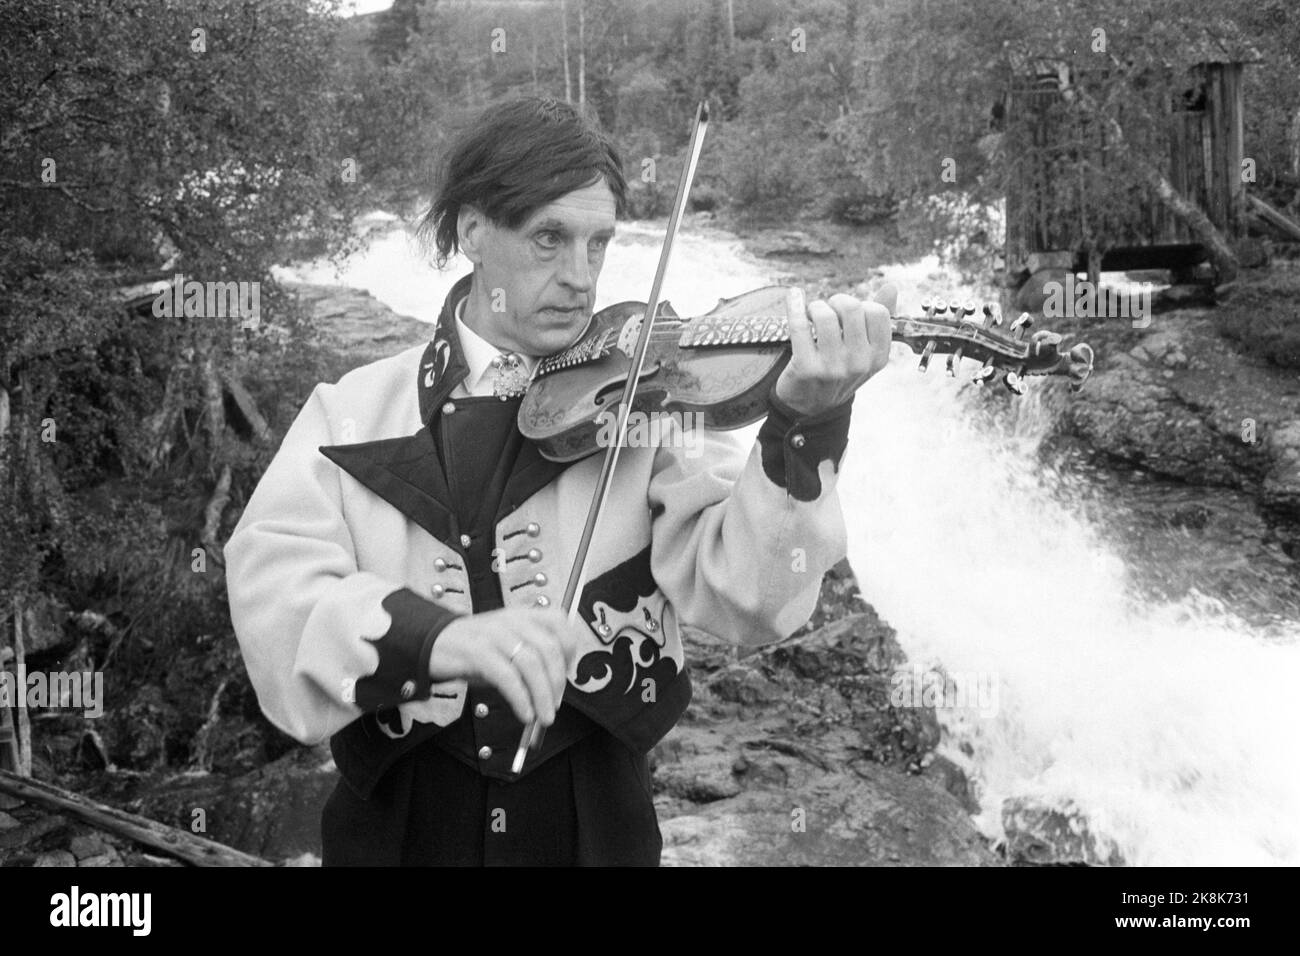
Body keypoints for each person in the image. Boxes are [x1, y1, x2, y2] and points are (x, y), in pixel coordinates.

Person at [225, 96, 894, 866]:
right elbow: (274, 598)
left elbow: (755, 597)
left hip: (595, 827)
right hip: (401, 831)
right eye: (549, 239)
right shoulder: (351, 411)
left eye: (598, 244)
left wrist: (804, 425)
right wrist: (437, 638)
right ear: (473, 230)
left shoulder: (647, 402)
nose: (579, 278)